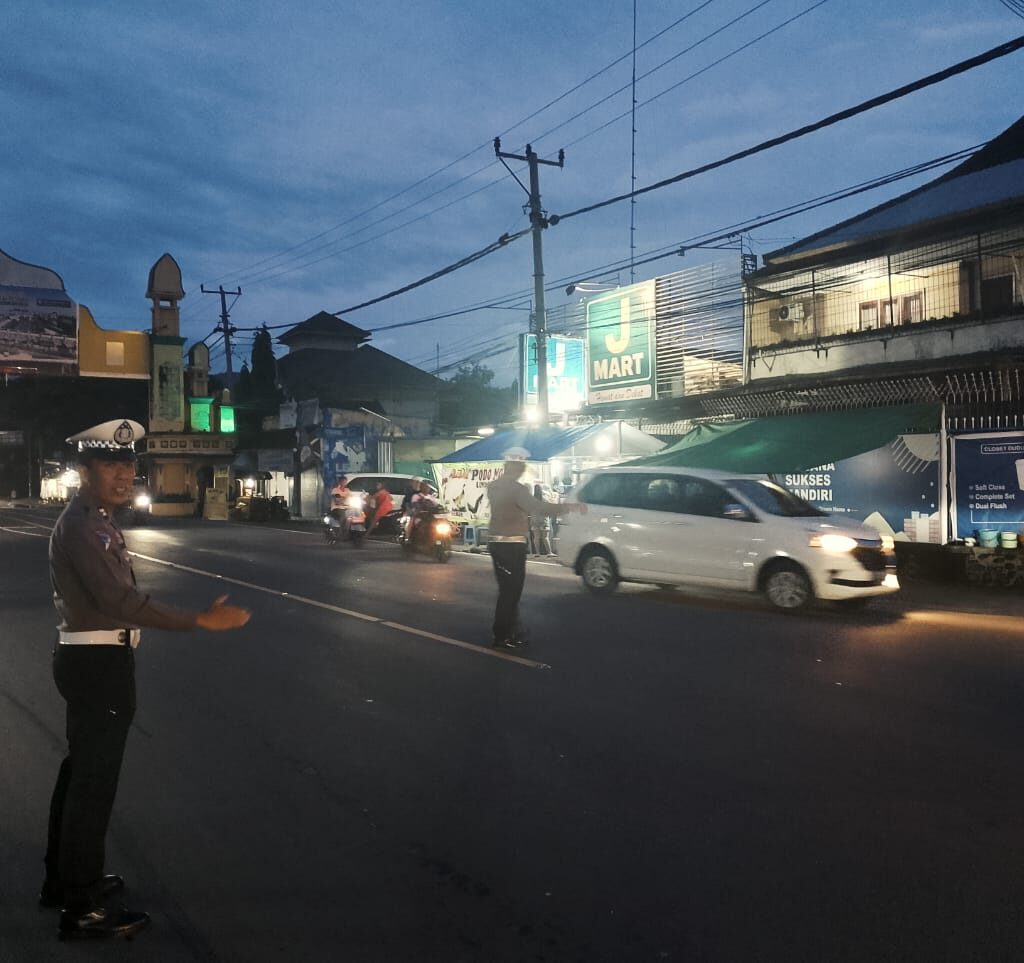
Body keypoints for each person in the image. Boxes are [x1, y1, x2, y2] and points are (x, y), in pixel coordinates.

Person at [43, 419, 251, 941]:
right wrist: (199, 620)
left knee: (79, 776)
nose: (122, 473)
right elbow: (121, 603)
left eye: (127, 463)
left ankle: (62, 881)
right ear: (85, 470)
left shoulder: (97, 521)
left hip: (91, 663)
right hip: (98, 667)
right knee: (93, 785)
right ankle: (81, 906)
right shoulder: (85, 527)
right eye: (109, 464)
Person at [486, 448, 586, 649]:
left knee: (507, 589)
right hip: (512, 545)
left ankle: (512, 630)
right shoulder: (518, 489)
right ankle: (502, 635)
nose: (523, 471)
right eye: (522, 467)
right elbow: (538, 508)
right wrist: (570, 507)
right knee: (511, 592)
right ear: (518, 468)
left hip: (495, 543)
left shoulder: (493, 486)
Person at [528, 484, 554, 556]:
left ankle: (537, 553)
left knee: (536, 537)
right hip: (543, 519)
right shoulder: (544, 499)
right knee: (545, 537)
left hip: (534, 519)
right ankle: (549, 552)